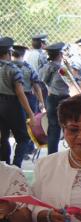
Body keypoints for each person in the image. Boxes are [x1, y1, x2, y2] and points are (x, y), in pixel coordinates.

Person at [0, 38, 36, 167]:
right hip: (12, 105)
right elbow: (20, 93)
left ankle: (4, 165)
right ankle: (16, 166)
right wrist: (31, 114)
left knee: (3, 138)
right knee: (23, 138)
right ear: (9, 53)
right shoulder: (13, 69)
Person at [39, 42, 69, 154]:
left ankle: (52, 154)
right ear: (60, 54)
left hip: (51, 98)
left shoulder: (45, 67)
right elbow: (71, 84)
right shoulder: (62, 69)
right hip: (64, 99)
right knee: (68, 125)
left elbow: (42, 81)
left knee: (53, 128)